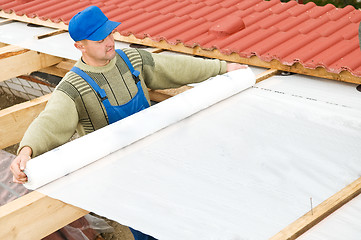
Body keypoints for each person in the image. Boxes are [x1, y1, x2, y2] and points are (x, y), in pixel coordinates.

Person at [10, 5, 245, 240]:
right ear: (80, 46)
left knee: (180, 215)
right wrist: (27, 150)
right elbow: (50, 122)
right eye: (100, 39)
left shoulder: (133, 60)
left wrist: (223, 68)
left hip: (158, 158)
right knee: (147, 229)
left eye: (110, 34)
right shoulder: (73, 88)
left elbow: (178, 68)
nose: (110, 41)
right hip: (121, 179)